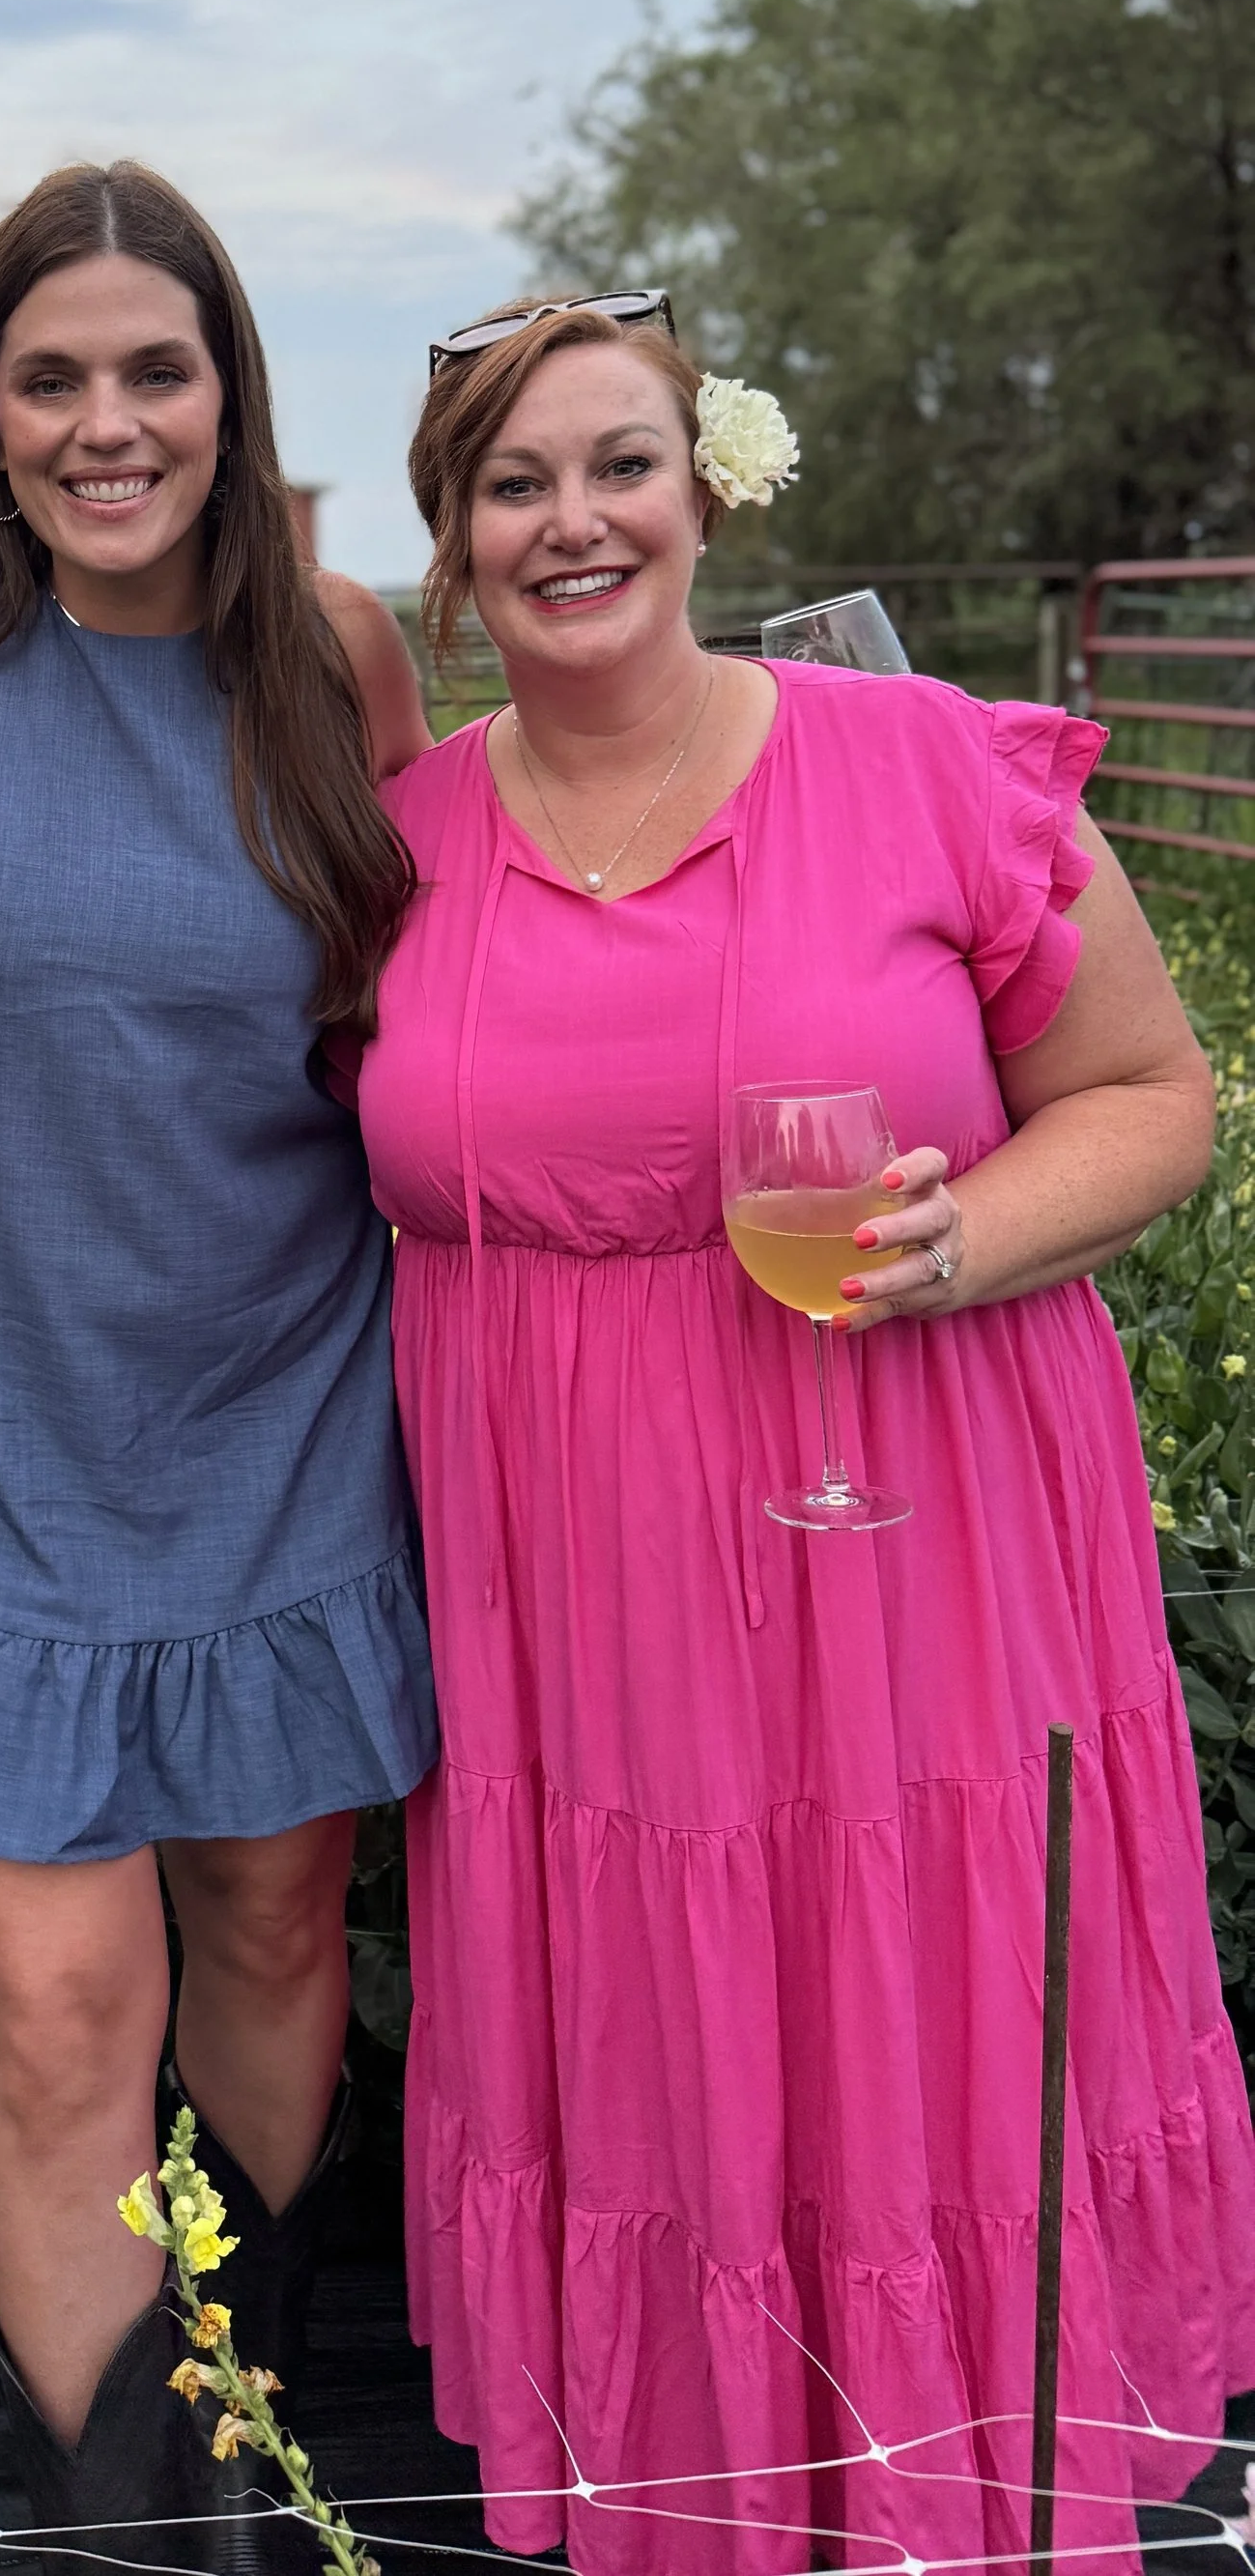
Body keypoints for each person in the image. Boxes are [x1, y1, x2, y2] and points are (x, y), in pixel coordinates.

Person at [358, 289, 1255, 2575]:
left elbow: (1153, 1101)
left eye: (615, 464)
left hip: (913, 1527)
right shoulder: (390, 848)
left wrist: (969, 1236)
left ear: (703, 482)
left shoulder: (918, 757)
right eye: (512, 484)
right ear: (452, 544)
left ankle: (958, 2491)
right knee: (664, 2035)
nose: (572, 521)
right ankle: (700, 2486)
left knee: (912, 2002)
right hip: (569, 1581)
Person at [0, 160, 439, 2552]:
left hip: (281, 1408)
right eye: (51, 376)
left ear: (224, 388)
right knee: (60, 2009)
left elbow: (414, 1017)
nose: (105, 425)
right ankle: (115, 2519)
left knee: (276, 1926)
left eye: (150, 372)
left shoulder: (341, 657)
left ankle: (247, 2426)